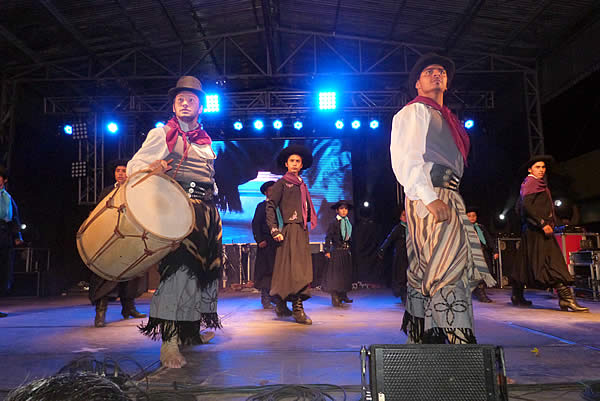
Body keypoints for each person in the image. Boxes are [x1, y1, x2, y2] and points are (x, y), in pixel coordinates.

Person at [390, 53, 495, 344]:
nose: (437, 75)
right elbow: (406, 160)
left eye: (441, 72)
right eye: (429, 72)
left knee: (433, 268)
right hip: (431, 195)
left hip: (447, 194)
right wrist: (429, 198)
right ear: (418, 84)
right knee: (446, 267)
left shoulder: (446, 118)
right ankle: (463, 350)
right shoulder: (414, 112)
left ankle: (429, 342)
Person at [128, 76, 222, 368]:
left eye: (191, 99)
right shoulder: (162, 134)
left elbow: (209, 176)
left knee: (204, 275)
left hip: (207, 211)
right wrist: (151, 167)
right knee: (179, 272)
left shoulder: (206, 142)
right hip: (179, 208)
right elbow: (133, 167)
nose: (184, 103)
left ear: (201, 108)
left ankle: (189, 332)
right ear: (173, 105)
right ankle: (169, 342)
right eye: (180, 99)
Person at [511, 155, 588, 312]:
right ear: (530, 169)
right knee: (552, 262)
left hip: (532, 230)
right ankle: (566, 299)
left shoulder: (534, 184)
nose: (541, 170)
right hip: (538, 230)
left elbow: (519, 207)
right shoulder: (531, 183)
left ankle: (516, 295)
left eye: (543, 167)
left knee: (524, 263)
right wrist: (542, 223)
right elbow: (525, 207)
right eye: (537, 167)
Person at [88, 160, 147, 327]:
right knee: (104, 275)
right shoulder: (107, 191)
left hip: (129, 238)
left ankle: (128, 308)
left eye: (123, 170)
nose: (120, 173)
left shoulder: (135, 191)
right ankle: (100, 312)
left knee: (131, 273)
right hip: (109, 239)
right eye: (118, 170)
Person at [266, 144, 316, 324]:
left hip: (300, 230)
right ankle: (297, 308)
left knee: (290, 270)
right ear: (286, 164)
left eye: (298, 161)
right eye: (292, 161)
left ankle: (280, 303)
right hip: (288, 230)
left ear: (301, 165)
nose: (295, 164)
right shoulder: (282, 183)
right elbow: (270, 206)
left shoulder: (302, 184)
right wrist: (274, 230)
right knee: (296, 271)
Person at [0, 166, 23, 318]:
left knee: (2, 271)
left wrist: (17, 236)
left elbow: (14, 218)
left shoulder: (7, 198)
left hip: (3, 236)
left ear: (4, 179)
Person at [252, 181, 278, 309]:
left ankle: (276, 297)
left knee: (277, 271)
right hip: (266, 244)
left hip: (278, 244)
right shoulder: (262, 206)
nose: (272, 192)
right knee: (266, 271)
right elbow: (256, 224)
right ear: (266, 192)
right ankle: (266, 298)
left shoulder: (280, 206)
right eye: (270, 190)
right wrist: (260, 240)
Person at [323, 200, 354, 307]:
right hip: (336, 251)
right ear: (337, 210)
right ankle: (335, 297)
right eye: (341, 208)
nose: (344, 211)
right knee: (336, 276)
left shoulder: (348, 222)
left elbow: (349, 237)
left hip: (346, 251)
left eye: (346, 209)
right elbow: (328, 237)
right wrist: (327, 250)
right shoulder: (334, 222)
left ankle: (343, 295)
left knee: (345, 275)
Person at [378, 207, 409, 303]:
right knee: (401, 276)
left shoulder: (412, 228)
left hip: (410, 255)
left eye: (407, 214)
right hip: (401, 256)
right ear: (400, 217)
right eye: (403, 215)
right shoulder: (398, 228)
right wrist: (382, 250)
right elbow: (389, 239)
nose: (406, 217)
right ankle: (403, 295)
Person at [466, 206, 497, 303]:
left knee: (484, 272)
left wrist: (494, 250)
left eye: (473, 216)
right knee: (474, 273)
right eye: (469, 216)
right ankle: (479, 293)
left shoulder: (480, 227)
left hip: (483, 253)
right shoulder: (464, 228)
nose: (472, 218)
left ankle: (481, 292)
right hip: (472, 254)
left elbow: (488, 239)